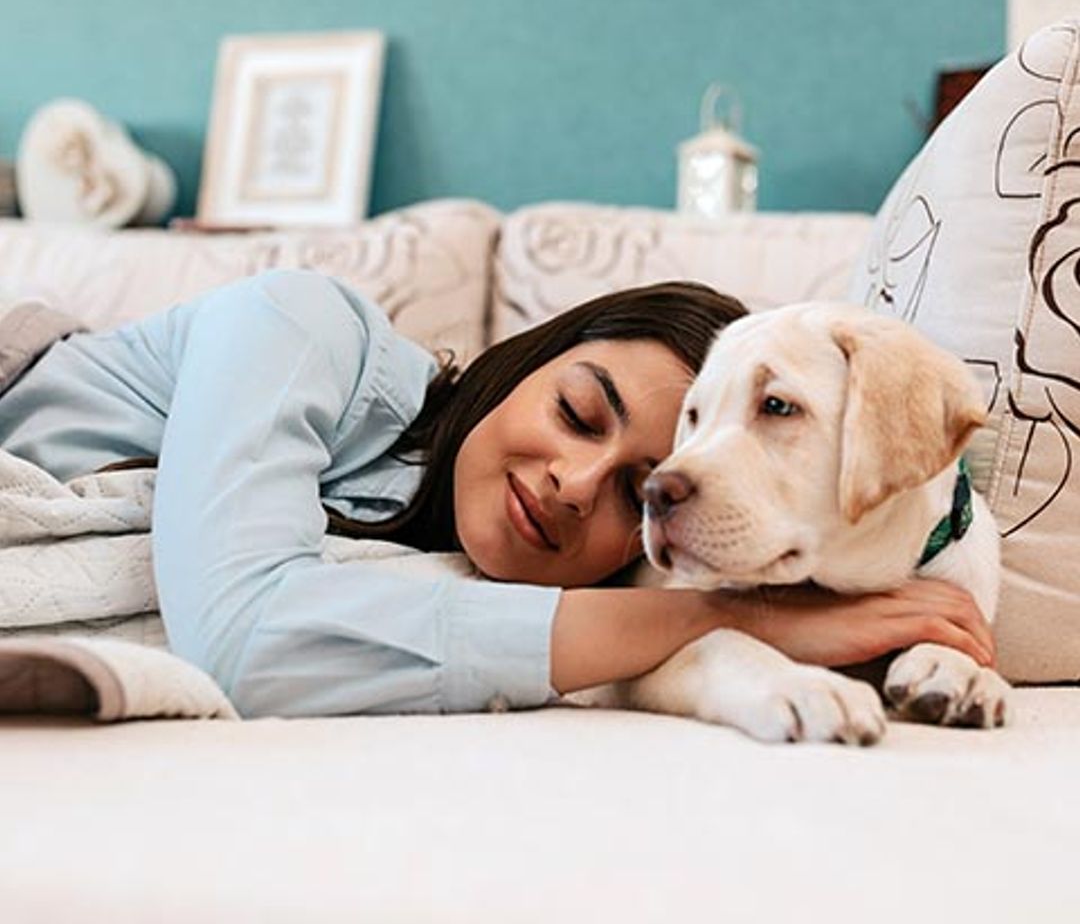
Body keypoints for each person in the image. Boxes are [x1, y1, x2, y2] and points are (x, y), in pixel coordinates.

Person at [0, 269, 996, 717]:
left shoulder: (452, 568)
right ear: (525, 358)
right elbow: (241, 634)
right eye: (576, 411)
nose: (572, 486)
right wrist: (736, 620)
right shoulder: (297, 324)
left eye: (635, 494)